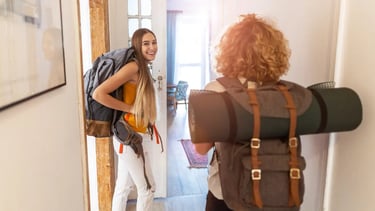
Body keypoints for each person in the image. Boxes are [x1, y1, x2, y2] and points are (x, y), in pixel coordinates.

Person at [193, 14, 291, 211]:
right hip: (272, 191)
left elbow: (201, 149)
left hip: (226, 193)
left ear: (229, 50)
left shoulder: (216, 90)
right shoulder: (283, 93)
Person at [93, 28, 158, 211]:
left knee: (123, 188)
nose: (152, 47)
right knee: (148, 189)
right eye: (146, 43)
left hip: (130, 137)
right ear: (137, 45)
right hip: (130, 138)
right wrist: (130, 109)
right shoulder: (134, 67)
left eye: (154, 42)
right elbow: (98, 94)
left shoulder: (143, 67)